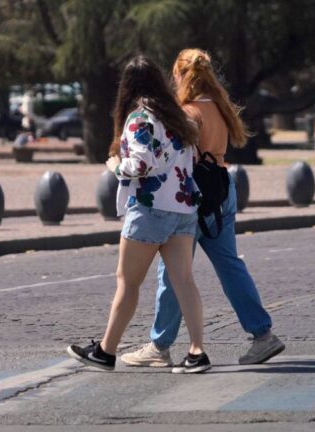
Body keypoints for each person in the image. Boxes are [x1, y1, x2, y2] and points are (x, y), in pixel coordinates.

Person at [121, 48, 284, 368]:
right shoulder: (220, 107)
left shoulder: (188, 113)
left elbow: (176, 156)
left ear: (181, 76)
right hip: (223, 188)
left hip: (193, 193)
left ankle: (160, 345)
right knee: (229, 265)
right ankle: (263, 334)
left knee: (173, 271)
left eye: (174, 75)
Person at [67, 55, 211, 374]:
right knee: (184, 281)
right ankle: (197, 352)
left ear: (127, 87)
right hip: (183, 208)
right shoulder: (179, 119)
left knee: (127, 283)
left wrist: (117, 166)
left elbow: (142, 163)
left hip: (150, 209)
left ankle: (105, 351)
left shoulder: (140, 118)